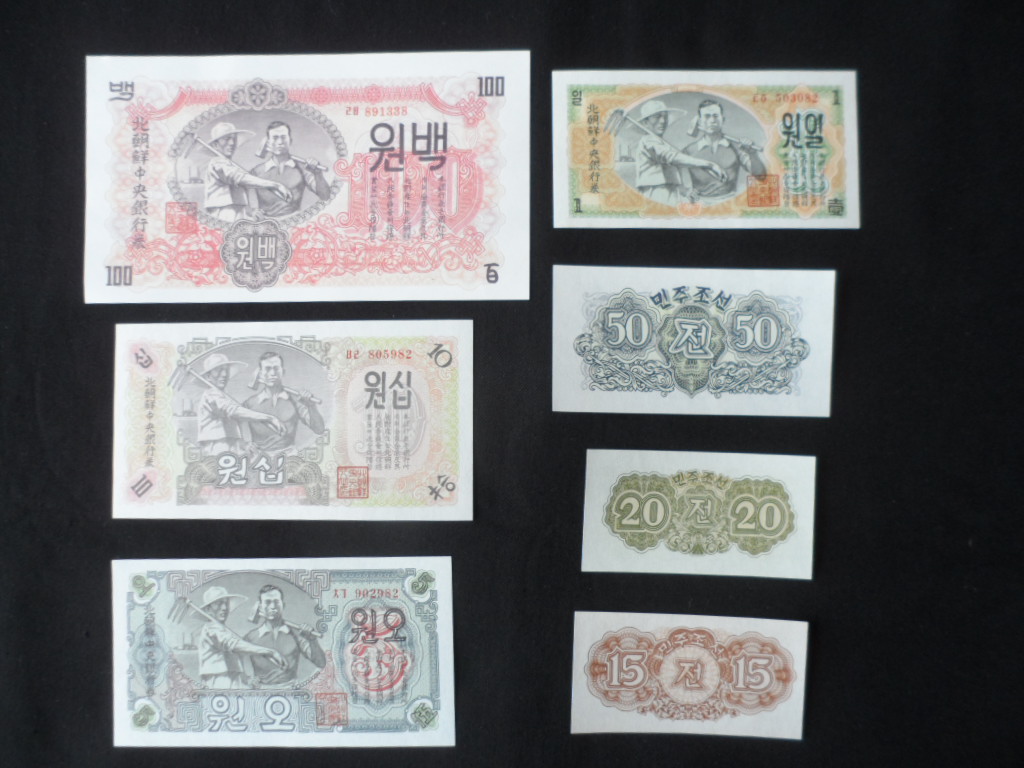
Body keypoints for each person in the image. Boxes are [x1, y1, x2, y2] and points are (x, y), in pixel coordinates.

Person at [633, 100, 726, 205]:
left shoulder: (662, 143)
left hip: (670, 193)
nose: (663, 121)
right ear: (645, 122)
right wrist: (709, 165)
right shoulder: (648, 140)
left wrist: (685, 191)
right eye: (657, 117)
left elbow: (669, 175)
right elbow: (670, 157)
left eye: (665, 117)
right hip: (655, 193)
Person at [196, 585, 287, 689]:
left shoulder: (224, 630)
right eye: (218, 603)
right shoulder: (211, 628)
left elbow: (233, 663)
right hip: (217, 681)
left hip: (232, 681)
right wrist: (270, 652)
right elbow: (232, 644)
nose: (224, 608)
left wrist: (247, 679)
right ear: (208, 609)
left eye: (226, 603)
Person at [195, 353, 285, 457]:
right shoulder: (211, 394)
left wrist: (243, 444)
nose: (224, 374)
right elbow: (232, 411)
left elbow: (230, 432)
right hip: (215, 448)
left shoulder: (224, 396)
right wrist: (269, 418)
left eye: (226, 370)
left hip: (230, 449)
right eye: (218, 370)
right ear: (208, 376)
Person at [202, 122, 292, 222]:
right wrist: (274, 185)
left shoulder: (229, 164)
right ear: (215, 145)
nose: (232, 143)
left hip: (237, 214)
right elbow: (238, 177)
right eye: (226, 139)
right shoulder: (217, 162)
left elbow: (237, 199)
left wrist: (250, 211)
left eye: (234, 139)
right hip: (224, 214)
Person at [682, 99, 767, 202]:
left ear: (723, 119)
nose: (712, 120)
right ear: (699, 122)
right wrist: (685, 191)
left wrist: (752, 154)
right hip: (699, 203)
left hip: (729, 201)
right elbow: (671, 179)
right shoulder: (689, 151)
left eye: (715, 116)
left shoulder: (737, 148)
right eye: (707, 116)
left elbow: (761, 176)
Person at [243, 351, 325, 453]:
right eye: (267, 369)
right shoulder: (249, 403)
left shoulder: (296, 400)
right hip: (258, 457)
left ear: (283, 371)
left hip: (288, 456)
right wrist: (244, 444)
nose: (272, 373)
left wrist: (311, 406)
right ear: (260, 373)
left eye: (276, 368)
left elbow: (319, 429)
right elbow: (232, 428)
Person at [244, 585, 327, 685]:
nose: (272, 606)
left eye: (276, 602)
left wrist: (312, 640)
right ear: (260, 607)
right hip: (261, 690)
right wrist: (248, 679)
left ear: (283, 605)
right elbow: (235, 666)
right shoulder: (250, 637)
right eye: (268, 602)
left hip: (291, 689)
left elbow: (321, 663)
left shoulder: (297, 635)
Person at [250, 121, 331, 217]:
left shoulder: (303, 169)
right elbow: (239, 196)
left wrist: (318, 173)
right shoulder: (256, 171)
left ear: (290, 141)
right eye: (275, 138)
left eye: (283, 137)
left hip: (294, 220)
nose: (280, 142)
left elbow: (325, 196)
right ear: (268, 143)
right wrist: (250, 211)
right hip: (266, 222)